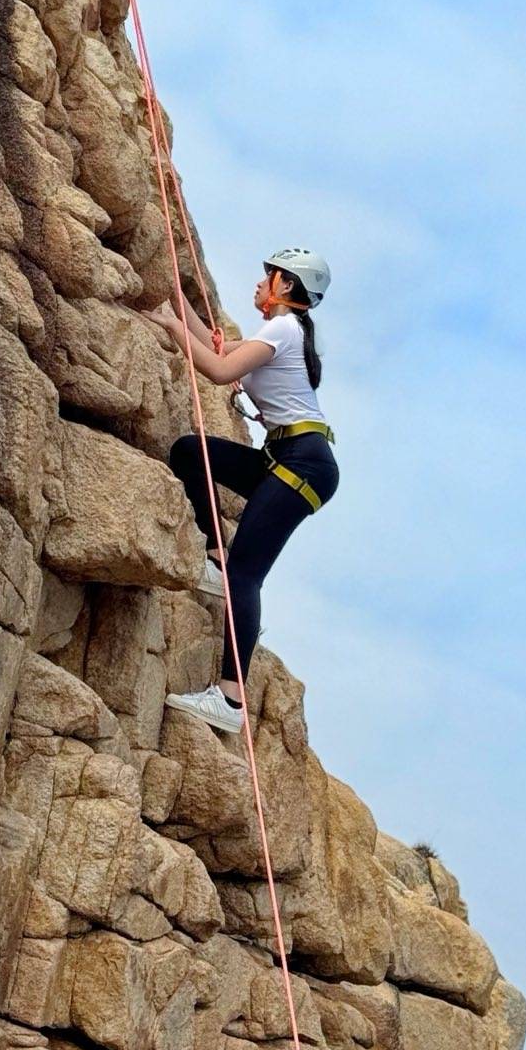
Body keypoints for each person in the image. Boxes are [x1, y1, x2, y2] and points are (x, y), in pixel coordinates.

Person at [143, 247, 339, 733]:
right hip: (287, 459)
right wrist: (176, 297)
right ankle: (215, 557)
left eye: (269, 276)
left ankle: (231, 701)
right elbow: (216, 345)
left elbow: (217, 370)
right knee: (191, 452)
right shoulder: (280, 334)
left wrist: (171, 326)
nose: (259, 282)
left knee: (246, 576)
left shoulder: (284, 329)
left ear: (286, 286)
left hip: (301, 464)